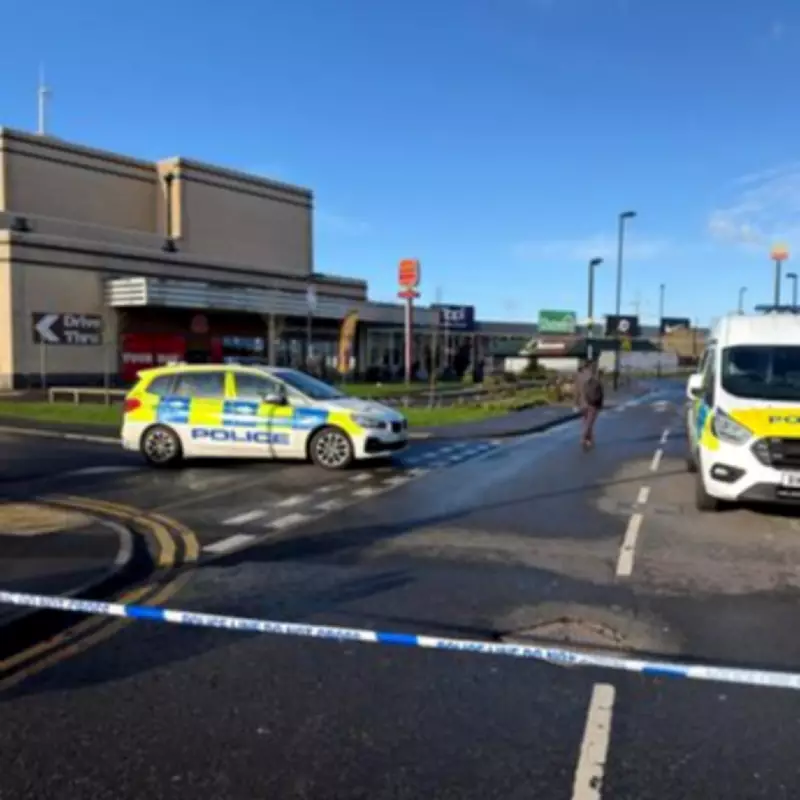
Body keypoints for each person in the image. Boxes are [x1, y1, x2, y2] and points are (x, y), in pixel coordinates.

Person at [576, 358, 604, 449]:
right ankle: (584, 438)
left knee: (586, 422)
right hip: (593, 403)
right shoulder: (595, 376)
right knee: (589, 423)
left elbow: (576, 391)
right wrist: (601, 403)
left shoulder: (579, 376)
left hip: (582, 403)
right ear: (591, 366)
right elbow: (600, 391)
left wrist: (576, 402)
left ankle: (589, 440)